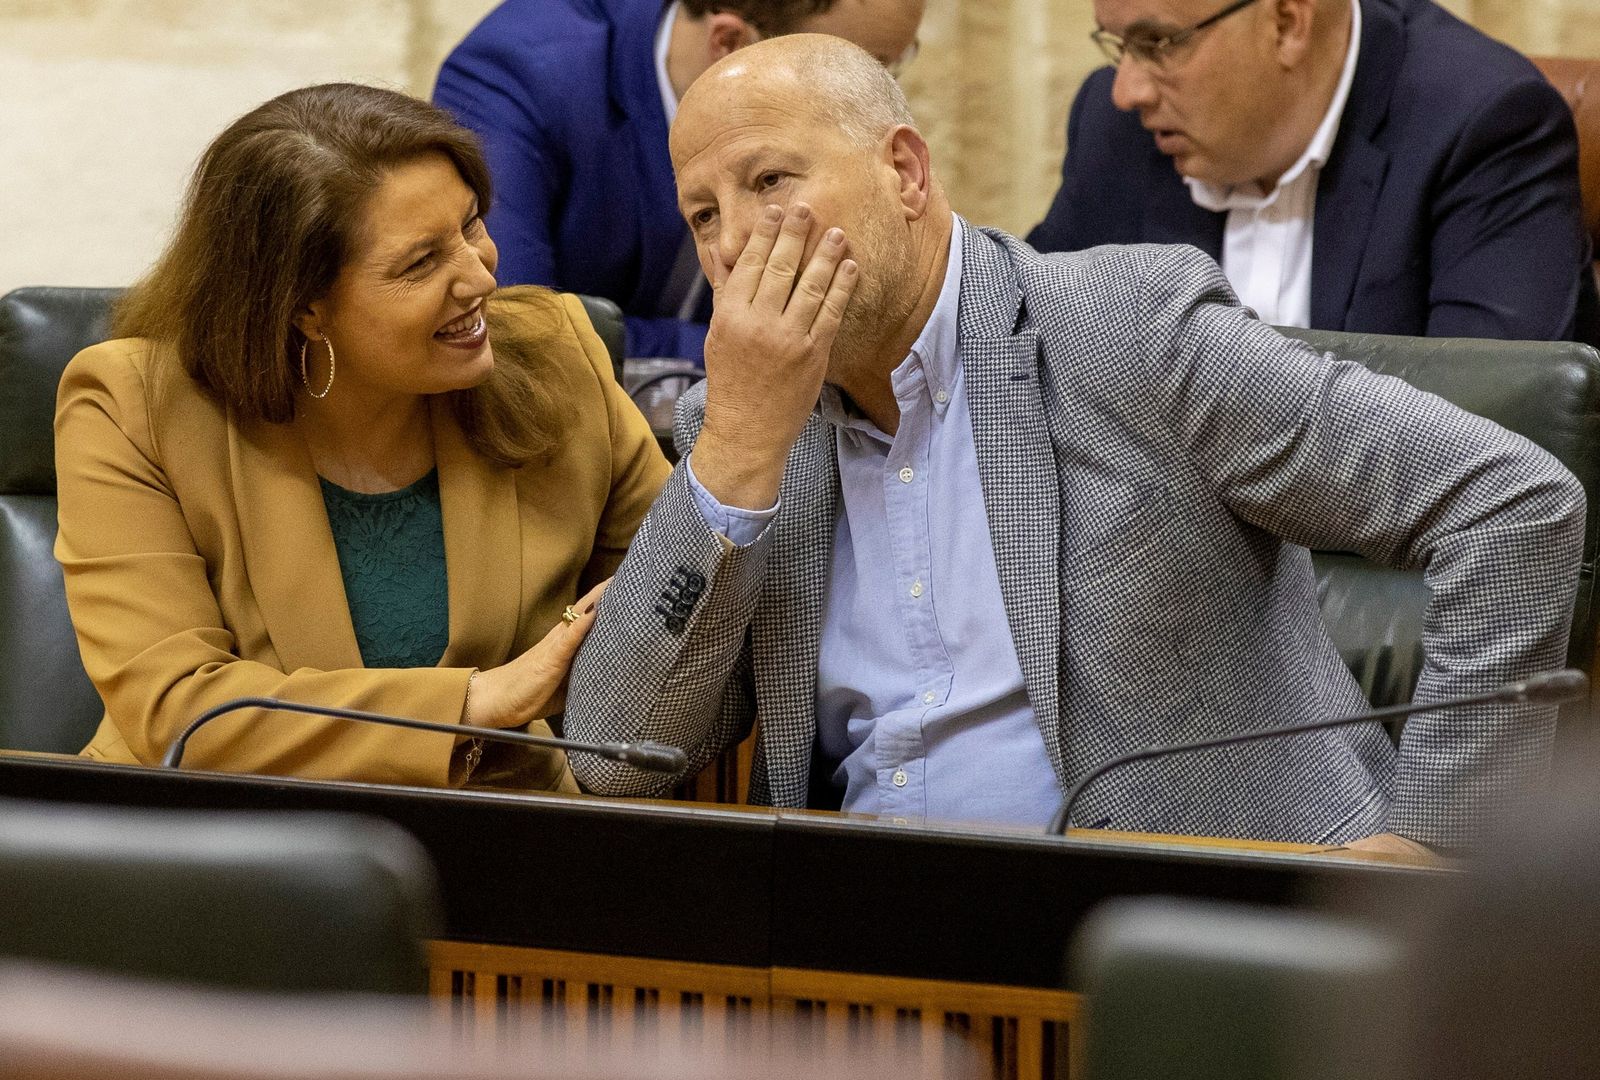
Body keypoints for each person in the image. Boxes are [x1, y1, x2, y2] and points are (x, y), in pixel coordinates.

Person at [562, 35, 1585, 852]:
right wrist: (735, 459)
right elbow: (614, 760)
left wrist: (1435, 844)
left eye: (771, 181)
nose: (736, 241)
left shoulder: (1127, 329)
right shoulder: (736, 436)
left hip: (1192, 951)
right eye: (703, 214)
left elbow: (1510, 501)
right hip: (874, 966)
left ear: (905, 171)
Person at [56, 83, 672, 790]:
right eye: (421, 262)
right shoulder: (132, 405)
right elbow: (181, 713)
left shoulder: (557, 355)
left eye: (471, 226)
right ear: (303, 308)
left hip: (503, 832)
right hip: (214, 846)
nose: (479, 277)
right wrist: (480, 702)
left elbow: (674, 598)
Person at [1027, 0, 1600, 346]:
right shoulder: (1115, 124)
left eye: (1157, 43)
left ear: (1286, 21)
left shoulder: (1485, 126)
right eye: (1119, 43)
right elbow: (1023, 356)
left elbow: (1477, 448)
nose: (1127, 89)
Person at [432, 0, 925, 363]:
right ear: (730, 42)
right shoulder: (516, 78)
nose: (879, 97)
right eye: (868, 66)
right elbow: (514, 324)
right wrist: (748, 346)